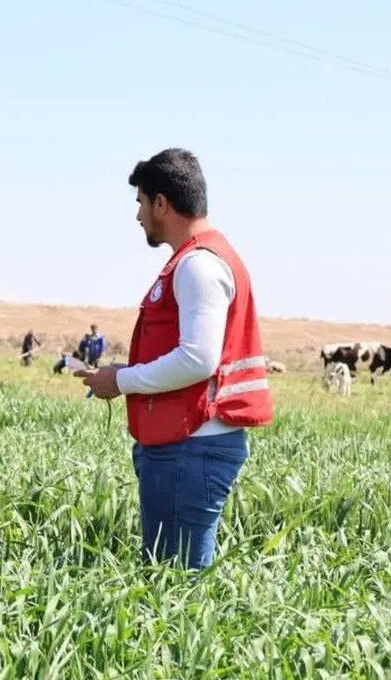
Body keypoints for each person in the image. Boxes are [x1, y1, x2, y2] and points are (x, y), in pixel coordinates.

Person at [78, 148, 273, 571]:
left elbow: (198, 359)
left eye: (141, 203)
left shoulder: (198, 266)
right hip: (189, 444)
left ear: (161, 203)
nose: (138, 217)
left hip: (192, 446)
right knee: (168, 579)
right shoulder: (202, 259)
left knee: (175, 584)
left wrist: (121, 380)